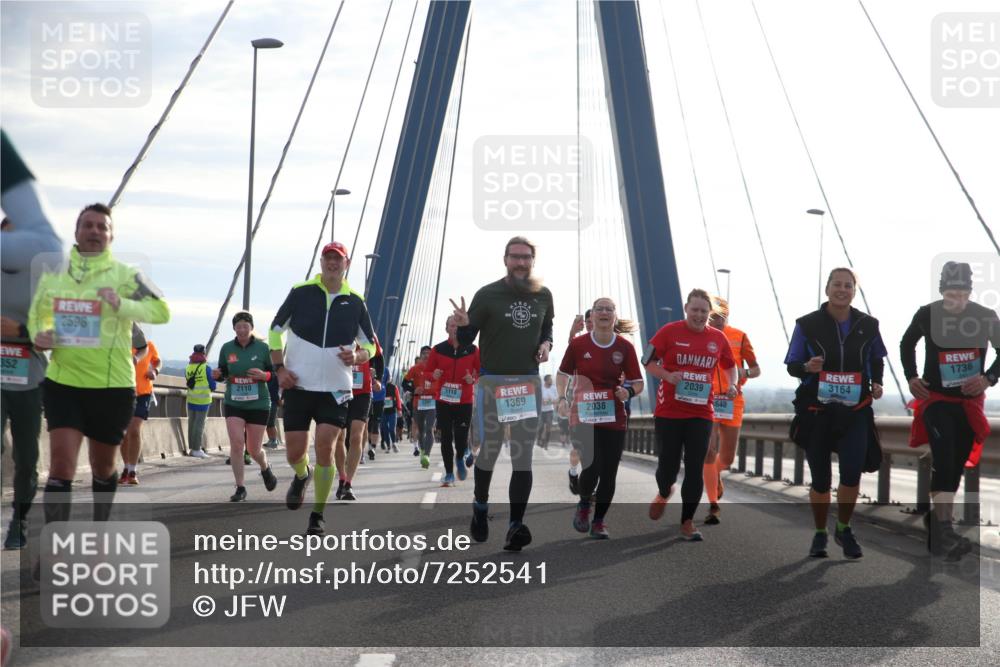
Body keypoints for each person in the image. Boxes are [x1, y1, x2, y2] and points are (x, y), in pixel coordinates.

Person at [29, 203, 170, 528]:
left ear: (111, 236)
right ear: (77, 232)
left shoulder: (127, 275)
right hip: (64, 383)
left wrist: (123, 304)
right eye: (88, 225)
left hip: (112, 387)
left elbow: (162, 311)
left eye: (102, 226)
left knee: (103, 467)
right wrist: (40, 334)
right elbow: (38, 316)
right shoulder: (54, 275)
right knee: (61, 466)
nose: (94, 231)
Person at [451, 236, 554, 551]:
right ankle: (480, 506)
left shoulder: (543, 294)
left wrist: (546, 344)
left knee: (523, 457)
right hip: (493, 383)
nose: (521, 262)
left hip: (527, 383)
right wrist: (464, 326)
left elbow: (547, 327)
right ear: (505, 259)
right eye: (515, 257)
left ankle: (515, 525)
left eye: (526, 257)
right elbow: (466, 341)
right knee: (491, 450)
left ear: (533, 261)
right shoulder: (487, 294)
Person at [269, 241, 376, 535]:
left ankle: (317, 514)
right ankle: (302, 474)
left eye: (338, 259)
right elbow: (274, 333)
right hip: (299, 385)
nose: (332, 263)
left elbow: (369, 345)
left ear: (347, 264)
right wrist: (279, 369)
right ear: (321, 262)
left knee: (326, 446)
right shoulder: (300, 292)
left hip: (336, 388)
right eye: (328, 258)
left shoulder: (356, 301)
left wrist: (358, 356)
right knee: (294, 453)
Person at [785, 268, 886, 559]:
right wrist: (807, 367)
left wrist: (877, 382)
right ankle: (820, 533)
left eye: (848, 285)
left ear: (854, 291)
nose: (842, 289)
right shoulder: (807, 324)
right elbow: (792, 365)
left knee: (852, 474)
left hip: (855, 411)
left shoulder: (869, 324)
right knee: (820, 480)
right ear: (827, 288)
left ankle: (843, 528)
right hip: (817, 412)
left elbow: (876, 358)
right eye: (837, 284)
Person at [901, 261, 999, 561]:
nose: (956, 300)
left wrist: (988, 378)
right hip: (936, 400)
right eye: (951, 295)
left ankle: (937, 523)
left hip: (968, 404)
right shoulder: (927, 314)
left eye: (962, 295)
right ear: (942, 291)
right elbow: (907, 343)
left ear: (970, 292)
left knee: (955, 464)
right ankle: (945, 528)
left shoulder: (985, 316)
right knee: (943, 458)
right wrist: (912, 377)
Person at [1, 130, 63, 549]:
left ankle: (20, 520)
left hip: (29, 377)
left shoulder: (48, 280)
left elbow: (61, 335)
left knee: (26, 457)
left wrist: (22, 332)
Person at [644, 289, 736, 541]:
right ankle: (664, 492)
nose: (698, 315)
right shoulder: (669, 332)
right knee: (668, 467)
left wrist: (732, 384)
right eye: (694, 310)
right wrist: (667, 375)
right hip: (669, 411)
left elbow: (730, 366)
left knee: (695, 467)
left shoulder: (717, 338)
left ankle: (687, 522)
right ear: (686, 309)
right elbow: (648, 361)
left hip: (701, 412)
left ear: (709, 314)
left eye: (704, 311)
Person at [557, 297, 643, 539]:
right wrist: (562, 398)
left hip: (614, 416)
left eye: (609, 309)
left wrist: (628, 392)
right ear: (592, 315)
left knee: (609, 472)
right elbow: (562, 374)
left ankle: (599, 521)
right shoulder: (578, 345)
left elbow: (638, 382)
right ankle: (585, 502)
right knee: (592, 466)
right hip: (583, 416)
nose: (604, 312)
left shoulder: (625, 347)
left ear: (614, 316)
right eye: (599, 309)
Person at [702, 296, 760, 524]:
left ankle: (716, 473)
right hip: (707, 400)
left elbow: (756, 369)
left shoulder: (739, 336)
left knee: (726, 457)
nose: (718, 320)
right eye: (714, 316)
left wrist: (744, 373)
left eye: (722, 316)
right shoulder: (699, 335)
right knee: (709, 452)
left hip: (732, 401)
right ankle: (713, 505)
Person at [215, 311, 277, 501]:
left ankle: (265, 467)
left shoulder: (263, 348)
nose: (242, 330)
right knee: (237, 444)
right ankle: (240, 487)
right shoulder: (227, 348)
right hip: (234, 402)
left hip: (258, 403)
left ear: (251, 328)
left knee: (254, 449)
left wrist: (264, 375)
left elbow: (275, 373)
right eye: (238, 326)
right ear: (234, 328)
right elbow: (223, 371)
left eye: (245, 326)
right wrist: (218, 374)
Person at [426, 316, 480, 486]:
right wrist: (433, 375)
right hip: (444, 400)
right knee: (446, 436)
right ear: (446, 328)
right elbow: (427, 373)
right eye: (451, 325)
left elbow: (480, 371)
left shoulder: (472, 349)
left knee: (461, 437)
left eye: (457, 326)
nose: (455, 328)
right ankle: (449, 474)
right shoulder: (438, 349)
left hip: (464, 400)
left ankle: (460, 458)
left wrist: (472, 379)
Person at [335, 337, 383, 500]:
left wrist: (378, 379)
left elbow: (379, 357)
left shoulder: (368, 335)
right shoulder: (336, 330)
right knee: (339, 438)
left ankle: (348, 484)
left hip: (363, 392)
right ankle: (342, 478)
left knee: (356, 437)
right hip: (339, 389)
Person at [119, 337, 161, 485]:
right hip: (122, 392)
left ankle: (133, 470)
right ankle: (126, 468)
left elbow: (157, 361)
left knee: (134, 430)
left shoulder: (148, 344)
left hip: (143, 393)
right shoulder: (119, 342)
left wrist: (155, 371)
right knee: (124, 433)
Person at [565, 309, 593, 493]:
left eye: (593, 320)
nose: (590, 323)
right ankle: (573, 472)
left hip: (601, 406)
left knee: (596, 450)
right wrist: (573, 331)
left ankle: (588, 485)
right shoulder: (579, 343)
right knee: (579, 448)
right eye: (588, 321)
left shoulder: (610, 344)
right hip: (578, 405)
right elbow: (571, 342)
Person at [185, 343, 216, 458]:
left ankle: (192, 448)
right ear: (204, 353)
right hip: (203, 401)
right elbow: (213, 385)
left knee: (192, 424)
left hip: (191, 399)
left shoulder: (188, 367)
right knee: (199, 425)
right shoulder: (206, 368)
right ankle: (197, 449)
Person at [411, 346, 437, 468]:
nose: (426, 355)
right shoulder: (415, 369)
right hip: (418, 403)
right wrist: (414, 390)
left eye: (429, 353)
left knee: (429, 428)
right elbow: (405, 383)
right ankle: (422, 450)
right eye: (424, 353)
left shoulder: (437, 369)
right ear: (420, 355)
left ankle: (427, 455)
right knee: (421, 430)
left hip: (432, 403)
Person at [381, 375, 402, 453]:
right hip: (383, 412)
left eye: (389, 377)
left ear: (391, 378)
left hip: (392, 411)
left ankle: (394, 443)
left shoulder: (394, 387)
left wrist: (399, 409)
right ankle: (388, 446)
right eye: (386, 377)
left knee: (391, 429)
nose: (387, 378)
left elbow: (398, 398)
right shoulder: (380, 386)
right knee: (385, 430)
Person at [538, 374, 558, 449]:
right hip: (541, 411)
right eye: (550, 379)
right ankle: (539, 440)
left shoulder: (554, 388)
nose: (551, 381)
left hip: (550, 410)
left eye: (551, 379)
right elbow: (539, 398)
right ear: (546, 381)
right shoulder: (541, 388)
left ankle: (546, 443)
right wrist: (542, 401)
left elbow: (557, 400)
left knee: (548, 427)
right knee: (541, 427)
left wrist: (549, 402)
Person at [264, 372, 282, 449]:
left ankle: (274, 440)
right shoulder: (267, 376)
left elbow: (278, 390)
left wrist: (279, 400)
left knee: (270, 422)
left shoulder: (274, 377)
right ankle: (272, 440)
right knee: (268, 422)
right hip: (267, 400)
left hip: (273, 401)